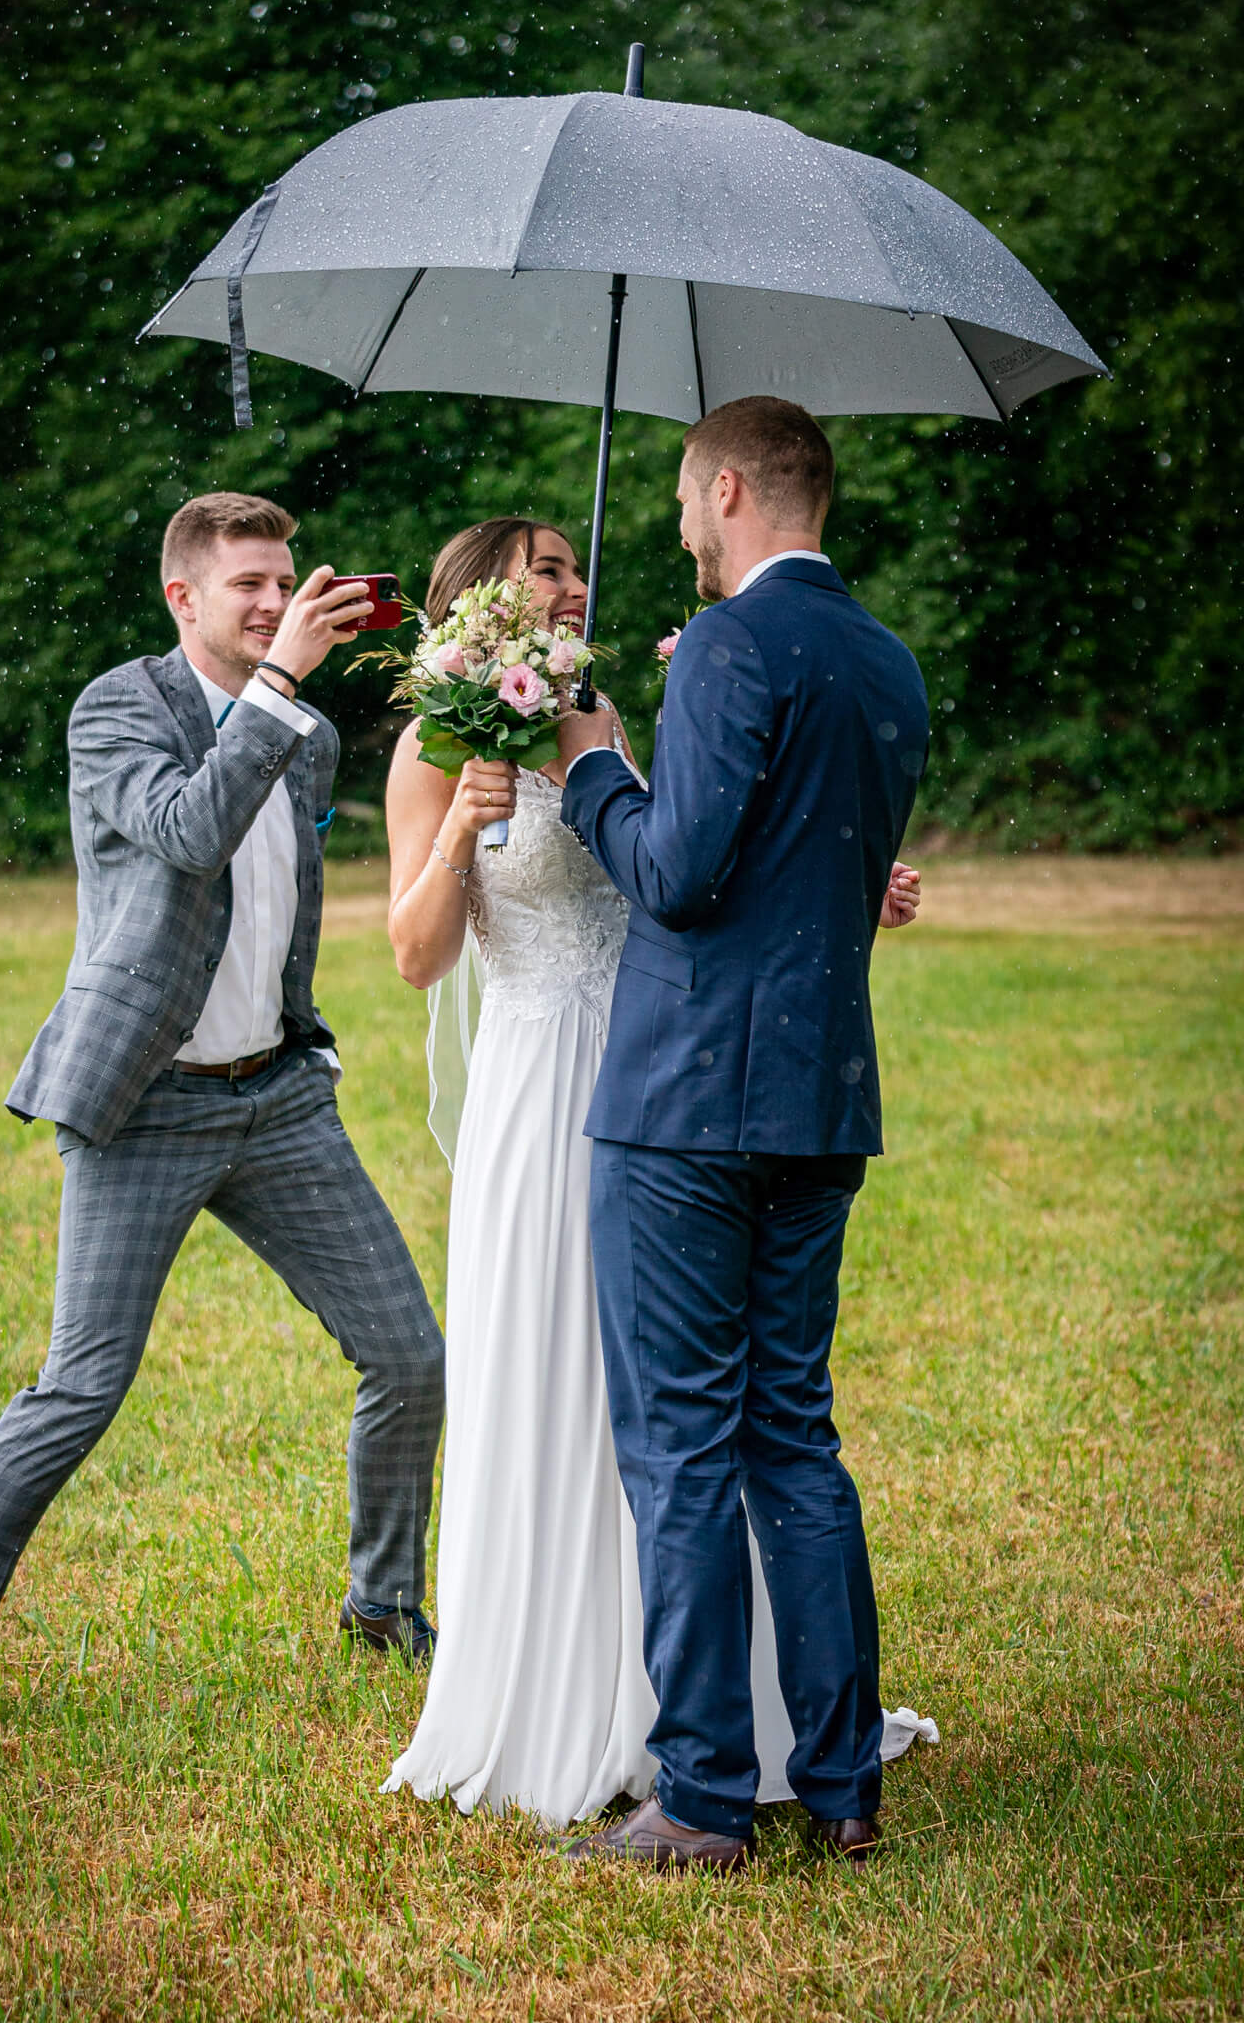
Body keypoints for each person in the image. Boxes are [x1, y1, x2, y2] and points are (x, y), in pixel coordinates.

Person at [0, 492, 446, 1743]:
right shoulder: (118, 709)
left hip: (277, 1095)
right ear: (183, 597)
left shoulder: (309, 734)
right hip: (147, 1102)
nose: (277, 602)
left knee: (408, 1357)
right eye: (248, 586)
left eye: (284, 580)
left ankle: (384, 1607)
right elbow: (189, 834)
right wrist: (280, 684)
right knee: (77, 1391)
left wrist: (301, 1031)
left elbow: (280, 904)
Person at [379, 506, 930, 1831]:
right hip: (534, 1096)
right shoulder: (433, 744)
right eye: (544, 571)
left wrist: (843, 877)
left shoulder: (614, 719)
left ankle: (679, 1705)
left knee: (679, 1414)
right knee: (573, 1380)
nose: (572, 585)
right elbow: (416, 952)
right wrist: (462, 827)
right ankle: (554, 1688)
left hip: (658, 1080)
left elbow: (690, 877)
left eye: (573, 567)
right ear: (480, 609)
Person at [554, 396, 932, 1872]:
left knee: (685, 1452)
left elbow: (681, 873)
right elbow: (812, 871)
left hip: (686, 1108)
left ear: (729, 487)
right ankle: (841, 1781)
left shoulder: (725, 646)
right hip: (820, 1094)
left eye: (681, 500)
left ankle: (705, 1793)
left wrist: (598, 758)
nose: (676, 526)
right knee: (796, 1442)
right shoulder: (884, 658)